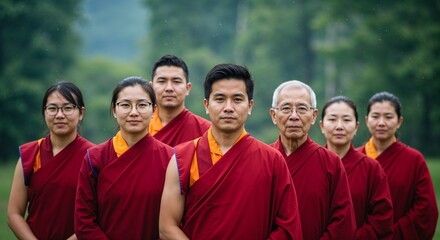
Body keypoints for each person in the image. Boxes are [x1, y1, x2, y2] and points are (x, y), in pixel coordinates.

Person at [159, 64, 302, 239]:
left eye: (237, 99)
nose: (228, 107)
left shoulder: (272, 160)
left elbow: (287, 227)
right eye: (219, 99)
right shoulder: (182, 158)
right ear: (206, 105)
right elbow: (167, 227)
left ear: (250, 106)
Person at [74, 77, 175, 239]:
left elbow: (175, 221)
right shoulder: (95, 159)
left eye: (142, 105)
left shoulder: (170, 159)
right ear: (114, 110)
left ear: (154, 110)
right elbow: (83, 221)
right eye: (125, 105)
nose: (133, 112)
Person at [7, 81, 94, 240]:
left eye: (68, 108)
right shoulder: (30, 155)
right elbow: (14, 214)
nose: (60, 115)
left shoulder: (94, 157)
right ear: (44, 112)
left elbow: (100, 215)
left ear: (81, 112)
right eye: (52, 108)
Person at [270, 80, 356, 239]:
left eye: (302, 109)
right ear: (274, 115)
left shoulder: (331, 163)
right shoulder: (263, 160)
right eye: (286, 108)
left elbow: (342, 222)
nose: (294, 116)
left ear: (314, 116)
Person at [357, 91, 438, 239]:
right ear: (367, 120)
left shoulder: (414, 160)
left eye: (388, 117)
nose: (381, 123)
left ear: (399, 121)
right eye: (375, 116)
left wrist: (389, 235)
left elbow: (425, 211)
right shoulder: (354, 159)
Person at [320, 95, 394, 239]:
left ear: (356, 127)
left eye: (347, 120)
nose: (339, 126)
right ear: (322, 126)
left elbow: (381, 219)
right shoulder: (313, 163)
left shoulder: (371, 169)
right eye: (332, 119)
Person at [149, 54, 210, 146]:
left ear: (188, 88)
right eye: (162, 81)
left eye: (176, 82)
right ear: (151, 87)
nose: (169, 88)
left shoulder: (206, 131)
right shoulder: (139, 127)